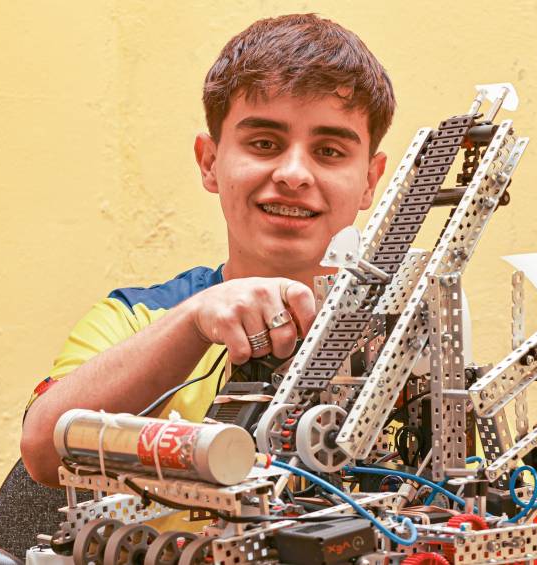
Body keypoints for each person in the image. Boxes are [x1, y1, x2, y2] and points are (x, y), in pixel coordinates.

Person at [20, 13, 395, 488]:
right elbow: (42, 453)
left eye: (329, 152)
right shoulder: (136, 319)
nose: (295, 174)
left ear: (370, 180)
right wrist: (194, 321)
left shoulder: (411, 345)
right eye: (264, 143)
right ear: (210, 162)